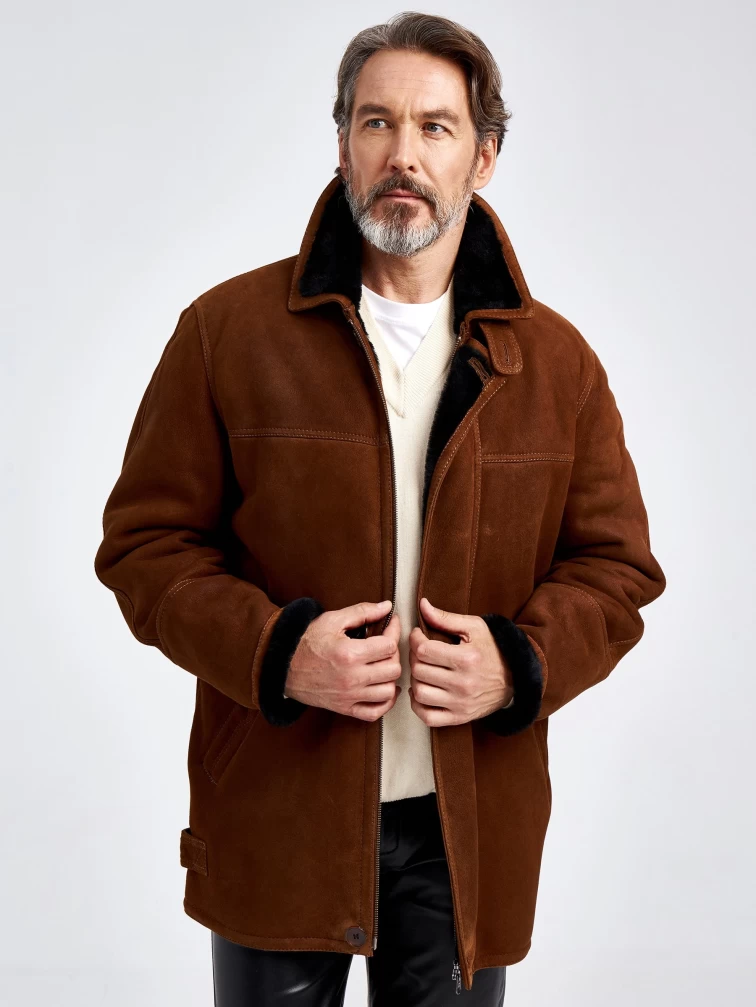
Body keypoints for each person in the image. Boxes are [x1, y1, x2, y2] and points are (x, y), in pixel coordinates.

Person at [94, 12, 666, 1006]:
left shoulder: (556, 364)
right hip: (279, 809)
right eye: (376, 122)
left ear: (483, 157)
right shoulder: (227, 333)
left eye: (436, 127)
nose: (404, 153)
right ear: (342, 142)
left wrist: (518, 664)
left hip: (466, 822)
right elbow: (145, 547)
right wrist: (278, 651)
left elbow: (617, 570)